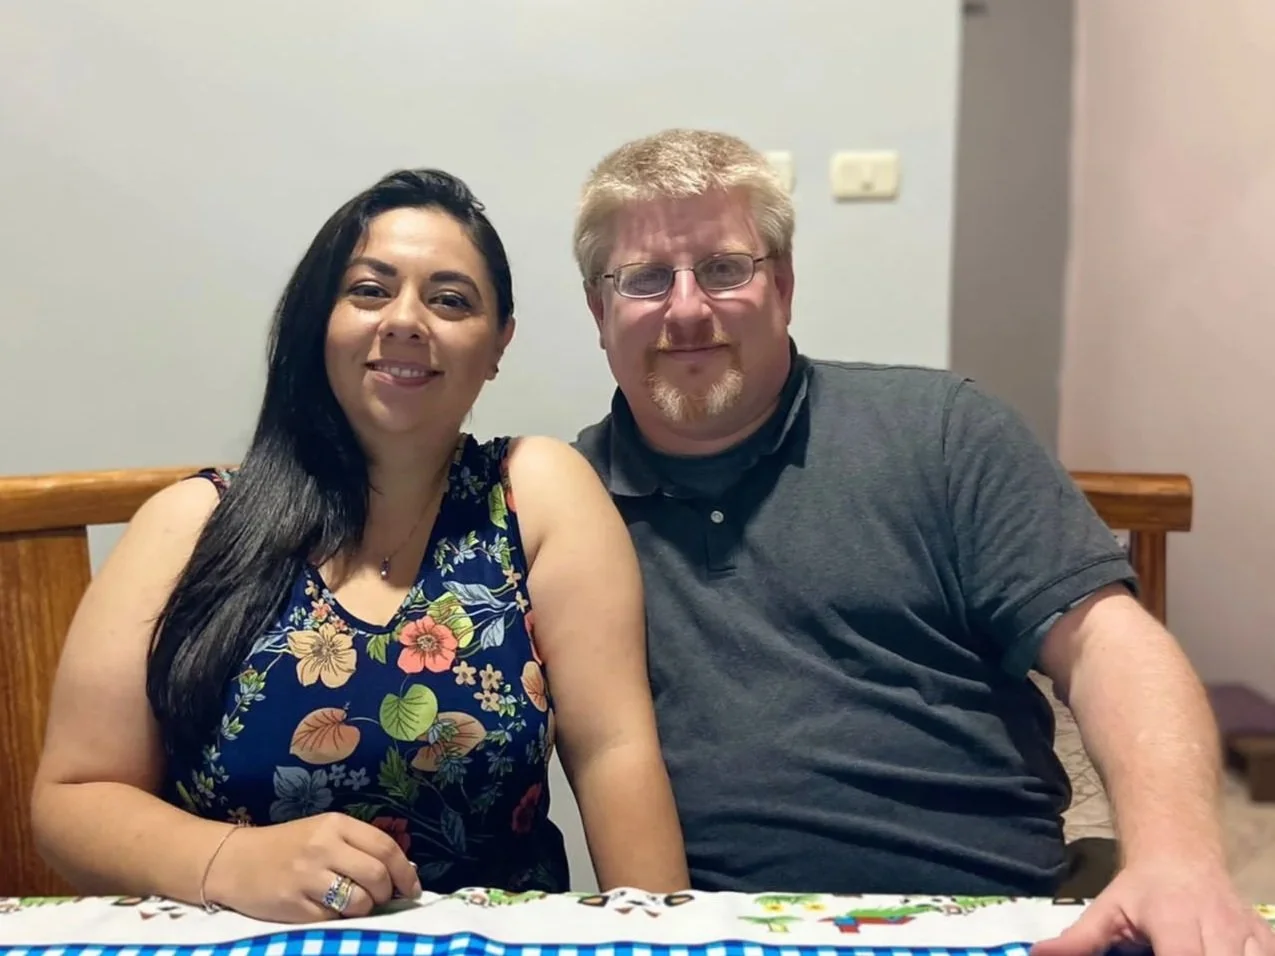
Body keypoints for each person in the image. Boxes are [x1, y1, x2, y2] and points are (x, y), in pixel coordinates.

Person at [569, 128, 1272, 956]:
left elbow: (1110, 647)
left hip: (1001, 917)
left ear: (784, 285)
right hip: (726, 933)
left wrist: (1178, 860)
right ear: (598, 310)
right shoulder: (563, 505)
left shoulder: (941, 431)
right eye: (646, 278)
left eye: (725, 269)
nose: (687, 309)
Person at [30, 168, 688, 923]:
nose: (406, 320)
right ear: (319, 320)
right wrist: (229, 860)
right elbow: (73, 799)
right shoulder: (190, 524)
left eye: (450, 300)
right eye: (370, 291)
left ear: (498, 343)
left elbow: (614, 754)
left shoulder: (536, 492)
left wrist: (667, 935)